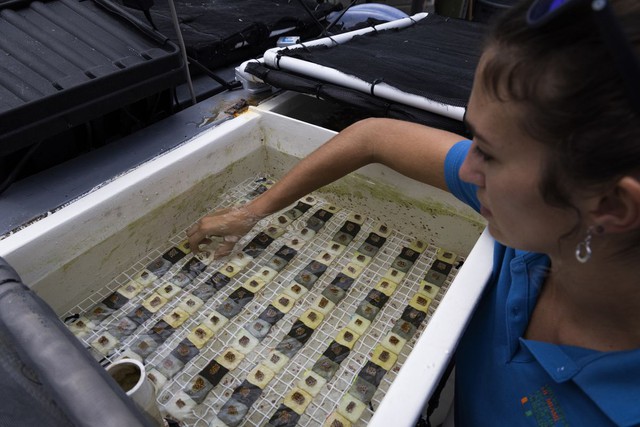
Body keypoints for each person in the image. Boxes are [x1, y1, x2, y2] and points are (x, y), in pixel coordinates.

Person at [187, 0, 640, 424]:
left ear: (611, 205)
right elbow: (373, 136)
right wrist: (252, 212)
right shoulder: (546, 230)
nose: (467, 165)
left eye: (489, 151)